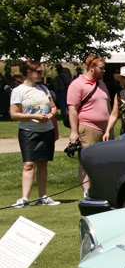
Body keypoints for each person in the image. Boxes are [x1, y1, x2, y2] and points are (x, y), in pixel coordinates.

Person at [9, 60, 60, 207]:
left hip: (47, 130)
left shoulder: (43, 88)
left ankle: (42, 197)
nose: (41, 74)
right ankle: (25, 199)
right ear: (29, 73)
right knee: (29, 164)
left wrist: (50, 115)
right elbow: (14, 114)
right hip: (28, 131)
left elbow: (54, 107)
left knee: (43, 164)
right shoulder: (18, 91)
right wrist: (34, 116)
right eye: (38, 71)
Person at [67, 54, 112, 197]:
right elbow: (72, 109)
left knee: (104, 161)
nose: (104, 71)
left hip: (105, 129)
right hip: (88, 128)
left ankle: (101, 189)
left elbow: (108, 107)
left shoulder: (102, 84)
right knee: (87, 161)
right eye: (101, 68)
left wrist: (110, 128)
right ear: (91, 67)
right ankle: (87, 191)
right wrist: (74, 132)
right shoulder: (77, 84)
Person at [53, 62, 73, 130]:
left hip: (61, 92)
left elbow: (56, 87)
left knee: (62, 105)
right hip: (67, 92)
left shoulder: (57, 78)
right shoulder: (66, 76)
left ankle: (64, 116)